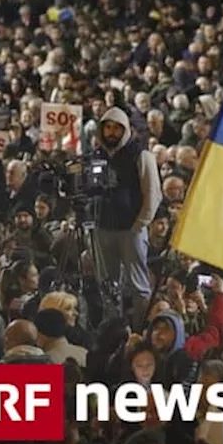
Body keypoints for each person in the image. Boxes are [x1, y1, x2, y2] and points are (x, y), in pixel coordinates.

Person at [92, 106, 162, 316]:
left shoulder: (140, 155)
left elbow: (152, 193)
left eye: (116, 128)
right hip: (103, 227)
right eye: (108, 128)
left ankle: (141, 329)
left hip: (131, 229)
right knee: (108, 284)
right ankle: (113, 329)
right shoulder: (96, 156)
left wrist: (139, 224)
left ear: (125, 130)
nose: (111, 132)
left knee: (138, 286)